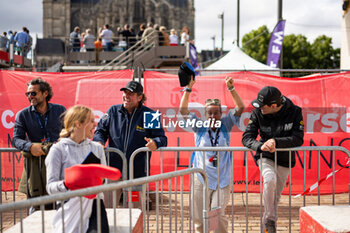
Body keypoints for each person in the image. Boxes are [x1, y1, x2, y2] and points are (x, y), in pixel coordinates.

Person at [179, 76, 244, 233]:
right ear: (205, 114)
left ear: (221, 114)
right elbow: (183, 111)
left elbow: (240, 107)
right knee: (199, 217)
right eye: (210, 113)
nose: (213, 116)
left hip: (222, 178)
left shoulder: (226, 125)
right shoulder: (199, 126)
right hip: (201, 177)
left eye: (216, 113)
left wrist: (231, 88)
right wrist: (188, 88)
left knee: (217, 213)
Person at [242, 86, 304, 233]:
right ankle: (270, 221)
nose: (259, 108)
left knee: (274, 199)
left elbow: (298, 138)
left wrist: (276, 142)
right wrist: (260, 145)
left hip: (285, 159)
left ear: (274, 106)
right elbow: (246, 137)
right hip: (265, 155)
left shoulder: (295, 112)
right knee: (269, 179)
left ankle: (268, 226)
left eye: (262, 106)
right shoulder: (257, 112)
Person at [45, 105, 110, 233]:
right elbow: (50, 187)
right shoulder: (57, 150)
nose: (95, 124)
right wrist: (69, 184)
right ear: (78, 124)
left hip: (95, 204)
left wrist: (95, 181)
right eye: (91, 121)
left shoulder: (97, 148)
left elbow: (104, 182)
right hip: (68, 205)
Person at [12, 78, 66, 213]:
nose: (30, 97)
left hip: (57, 164)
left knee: (58, 205)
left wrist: (62, 140)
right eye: (28, 94)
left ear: (45, 93)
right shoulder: (23, 115)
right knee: (35, 207)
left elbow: (69, 131)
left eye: (34, 93)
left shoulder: (60, 110)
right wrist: (30, 147)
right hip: (35, 166)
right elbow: (16, 139)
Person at [93, 80, 167, 179]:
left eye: (131, 94)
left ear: (140, 98)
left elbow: (162, 138)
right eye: (125, 92)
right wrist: (99, 141)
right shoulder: (113, 111)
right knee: (111, 194)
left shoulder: (149, 115)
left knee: (139, 194)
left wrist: (155, 142)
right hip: (113, 170)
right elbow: (100, 131)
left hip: (138, 172)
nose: (126, 96)